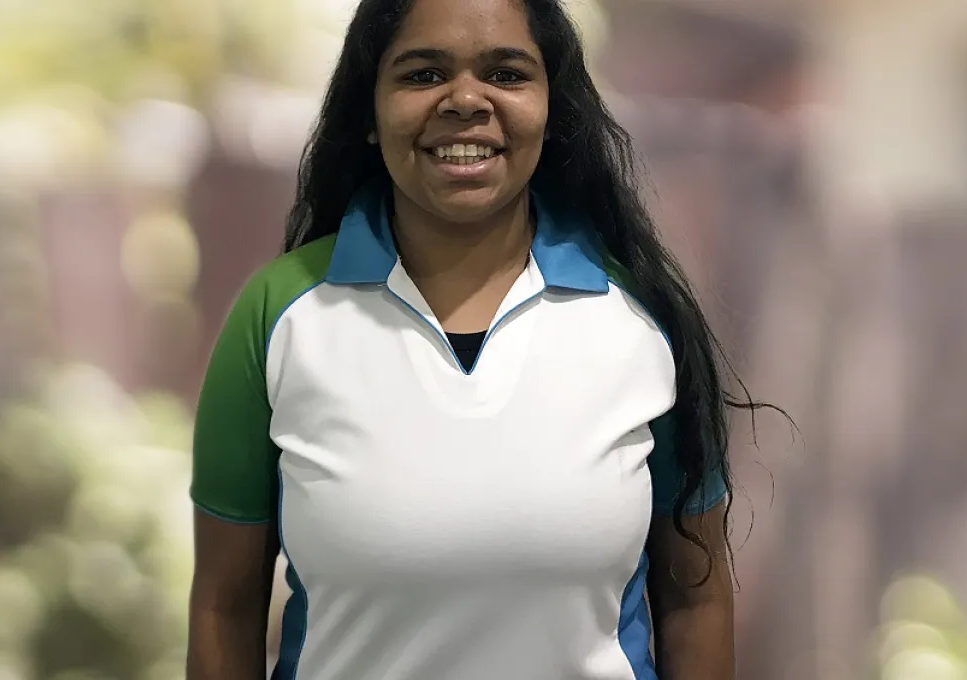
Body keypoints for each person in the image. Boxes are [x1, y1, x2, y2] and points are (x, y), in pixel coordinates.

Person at [187, 0, 765, 678]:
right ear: (369, 113)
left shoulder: (640, 317)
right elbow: (224, 606)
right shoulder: (279, 316)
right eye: (423, 74)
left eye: (507, 73)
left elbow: (695, 601)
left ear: (554, 111)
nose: (466, 99)